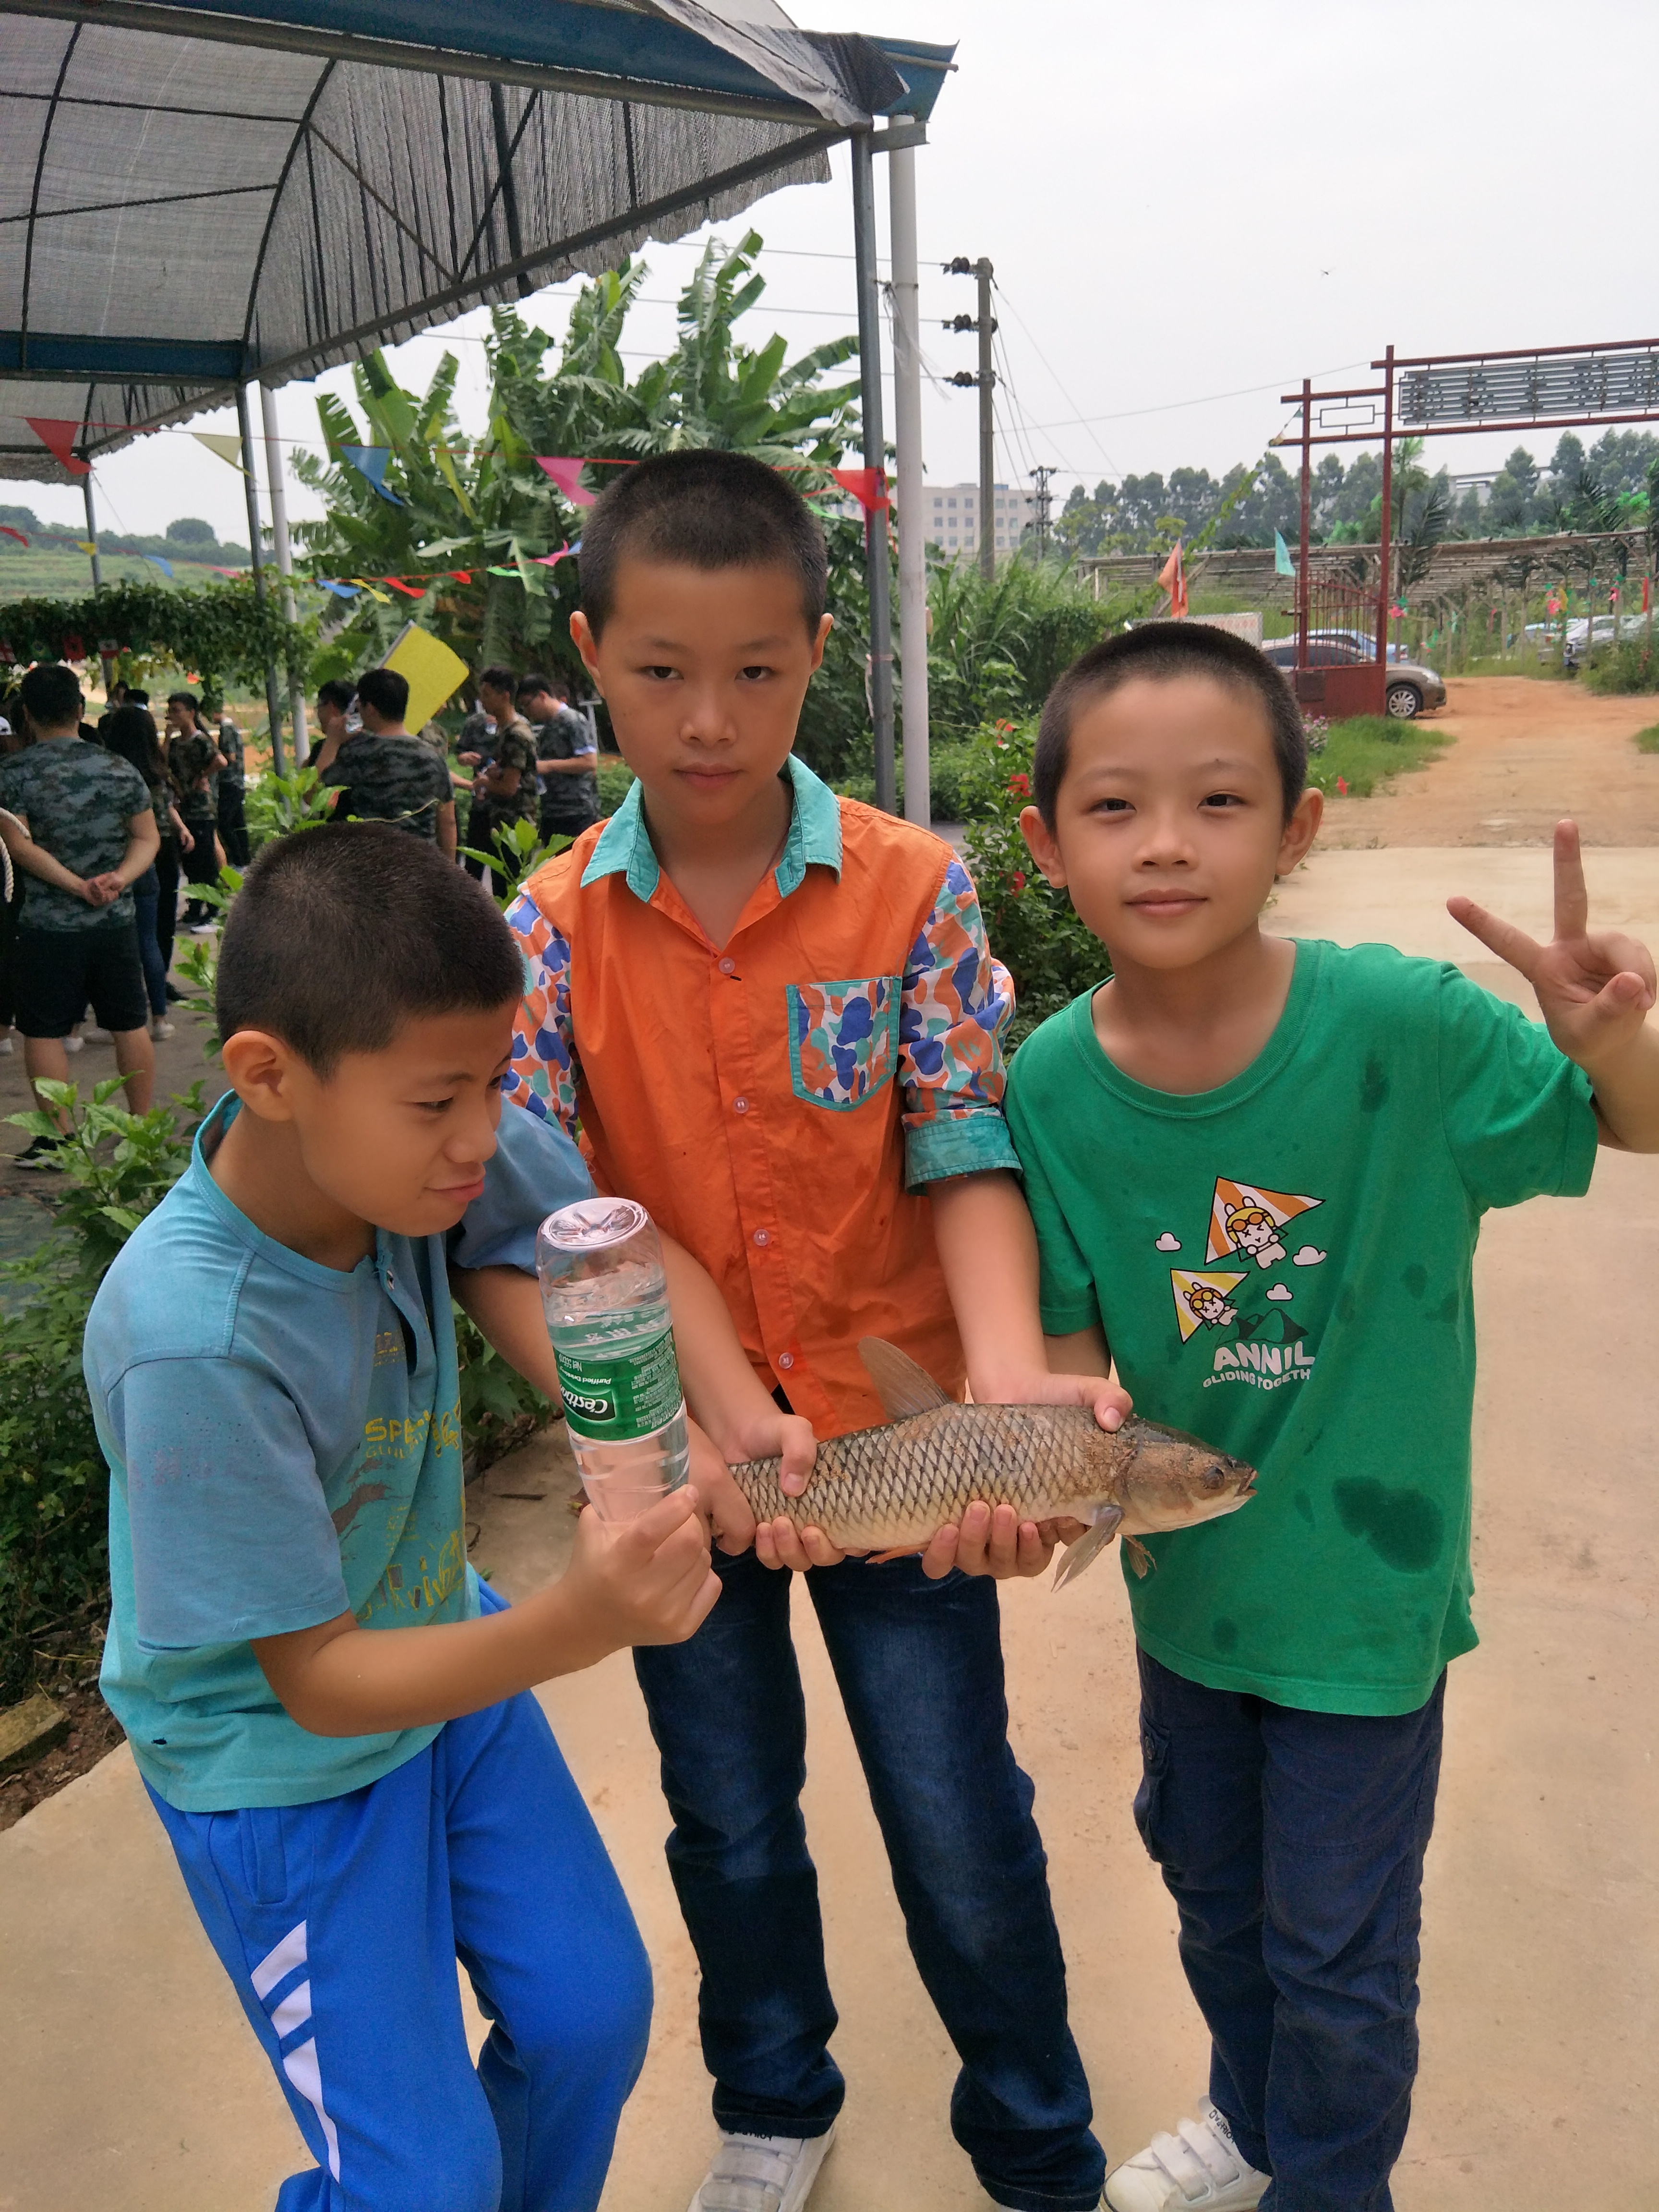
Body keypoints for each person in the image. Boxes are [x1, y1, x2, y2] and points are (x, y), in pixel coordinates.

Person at [501, 449, 1124, 2212]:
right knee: (731, 1809)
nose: (710, 716)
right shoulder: (547, 932)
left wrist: (1006, 1378)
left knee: (955, 1809)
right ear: (589, 653)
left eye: (757, 669)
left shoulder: (911, 888)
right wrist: (678, 1448)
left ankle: (1035, 2135)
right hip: (681, 1465)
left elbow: (962, 1136)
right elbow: (536, 1228)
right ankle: (772, 2098)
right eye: (661, 670)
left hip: (907, 1447)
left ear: (817, 652)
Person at [1001, 621, 1659, 2212]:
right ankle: (1249, 2114)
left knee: (1336, 1945)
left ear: (1296, 827)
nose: (1164, 840)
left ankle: (1328, 2183)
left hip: (1363, 1602)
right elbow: (1072, 1372)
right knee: (1216, 1896)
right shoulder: (1045, 1086)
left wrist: (1615, 1045)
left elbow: (1627, 1127)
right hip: (1189, 1598)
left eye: (1218, 799)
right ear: (1043, 845)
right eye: (1114, 807)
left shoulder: (1404, 1028)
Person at [84, 820, 761, 2212]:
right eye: (439, 1102)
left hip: (440, 1660)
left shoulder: (400, 1154)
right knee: (420, 2182)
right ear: (269, 1075)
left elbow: (588, 1261)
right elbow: (317, 1683)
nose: (482, 1143)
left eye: (495, 1084)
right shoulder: (194, 1339)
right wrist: (579, 1620)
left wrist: (720, 1441)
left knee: (588, 2018)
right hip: (283, 1770)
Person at [0, 662, 159, 1162]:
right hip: (115, 921)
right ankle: (141, 1129)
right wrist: (119, 879)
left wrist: (75, 886)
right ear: (78, 710)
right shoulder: (118, 768)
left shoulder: (12, 774)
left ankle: (59, 1139)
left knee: (43, 1030)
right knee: (129, 1023)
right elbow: (146, 837)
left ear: (26, 714)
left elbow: (18, 846)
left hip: (47, 926)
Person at [101, 702, 188, 1039]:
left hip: (124, 859)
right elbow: (166, 809)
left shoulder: (112, 773)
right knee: (154, 936)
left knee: (116, 943)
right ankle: (160, 1017)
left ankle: (104, 1021)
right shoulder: (157, 768)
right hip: (160, 855)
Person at [321, 667, 457, 854]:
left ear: (370, 709)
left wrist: (332, 741)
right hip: (424, 865)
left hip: (376, 865)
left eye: (360, 703)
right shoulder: (433, 757)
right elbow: (448, 822)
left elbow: (315, 795)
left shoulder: (358, 754)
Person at [464, 670, 538, 891]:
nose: (482, 701)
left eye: (487, 694)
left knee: (508, 891)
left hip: (515, 826)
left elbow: (509, 788)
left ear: (504, 696)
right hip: (501, 822)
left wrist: (483, 783)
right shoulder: (505, 731)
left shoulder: (516, 734)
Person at [165, 691, 225, 932]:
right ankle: (195, 907)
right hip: (184, 807)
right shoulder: (177, 743)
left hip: (201, 809)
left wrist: (202, 776)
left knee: (204, 859)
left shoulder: (200, 740)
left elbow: (221, 761)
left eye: (177, 710)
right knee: (189, 860)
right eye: (170, 711)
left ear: (191, 713)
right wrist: (168, 738)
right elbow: (163, 762)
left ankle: (212, 910)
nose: (172, 715)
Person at [519, 671, 601, 846]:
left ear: (542, 696)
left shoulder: (573, 720)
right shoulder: (547, 727)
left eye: (527, 705)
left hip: (577, 811)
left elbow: (589, 762)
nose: (527, 711)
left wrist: (549, 766)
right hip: (554, 811)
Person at [212, 700, 250, 866]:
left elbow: (230, 756)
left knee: (225, 823)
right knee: (238, 822)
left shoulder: (226, 730)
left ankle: (237, 858)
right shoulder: (232, 728)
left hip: (229, 781)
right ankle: (246, 859)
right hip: (238, 781)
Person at [307, 677, 357, 773]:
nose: (318, 714)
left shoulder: (322, 749)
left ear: (331, 707)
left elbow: (311, 786)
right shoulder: (370, 744)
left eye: (319, 707)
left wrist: (332, 742)